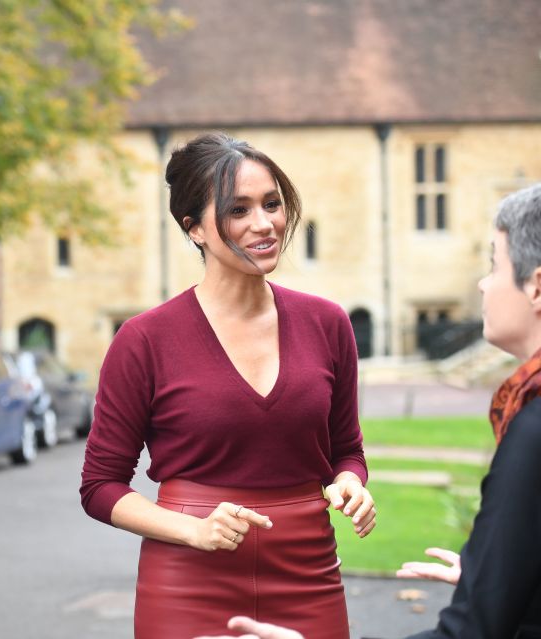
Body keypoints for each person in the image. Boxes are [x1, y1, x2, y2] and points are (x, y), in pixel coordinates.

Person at [195, 181, 541, 638]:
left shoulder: (533, 429)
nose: (482, 283)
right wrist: (499, 580)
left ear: (536, 287)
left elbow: (471, 633)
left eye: (494, 266)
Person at [79, 132, 376, 639]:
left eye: (272, 204)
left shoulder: (328, 323)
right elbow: (100, 486)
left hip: (309, 575)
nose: (264, 224)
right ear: (194, 229)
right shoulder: (144, 340)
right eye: (238, 210)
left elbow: (346, 450)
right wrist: (192, 529)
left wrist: (350, 482)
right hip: (187, 579)